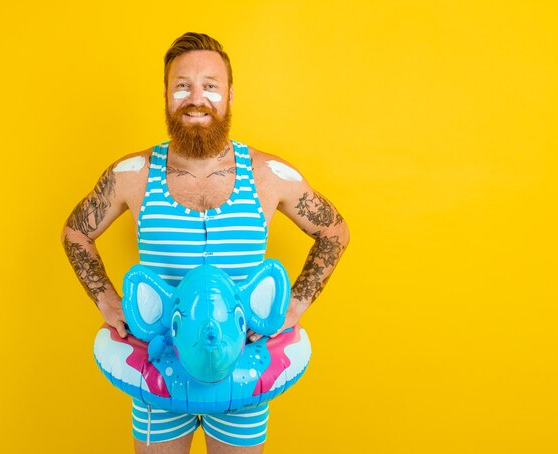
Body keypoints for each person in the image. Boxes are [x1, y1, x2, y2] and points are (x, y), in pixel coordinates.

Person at [61, 32, 349, 454]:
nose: (197, 98)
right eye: (183, 85)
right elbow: (76, 232)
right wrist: (106, 300)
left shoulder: (268, 174)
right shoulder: (132, 174)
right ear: (166, 95)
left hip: (244, 374)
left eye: (210, 86)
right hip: (158, 368)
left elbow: (334, 231)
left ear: (229, 95)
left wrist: (294, 306)